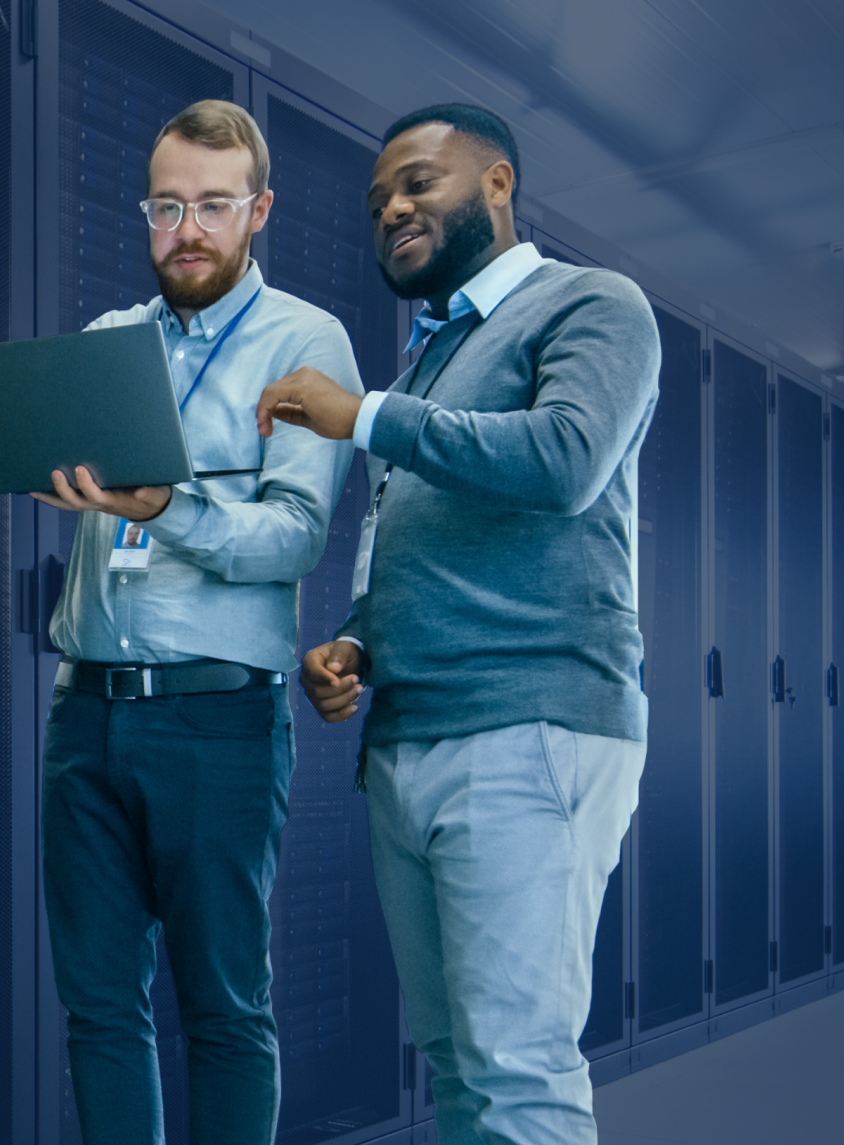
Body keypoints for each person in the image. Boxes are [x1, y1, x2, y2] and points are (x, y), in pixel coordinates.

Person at [255, 103, 660, 1145]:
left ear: (497, 185)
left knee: (517, 1072)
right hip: (412, 740)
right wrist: (354, 641)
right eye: (379, 197)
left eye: (418, 183)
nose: (392, 207)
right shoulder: (434, 360)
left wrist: (367, 415)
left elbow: (567, 460)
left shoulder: (590, 304)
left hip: (529, 724)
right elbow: (423, 546)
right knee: (459, 1070)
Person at [29, 98, 360, 1145]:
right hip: (85, 714)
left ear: (258, 209)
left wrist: (165, 506)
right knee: (97, 1007)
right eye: (166, 206)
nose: (188, 229)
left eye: (214, 205)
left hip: (218, 721)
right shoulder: (108, 342)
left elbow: (295, 539)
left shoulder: (307, 341)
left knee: (221, 1005)